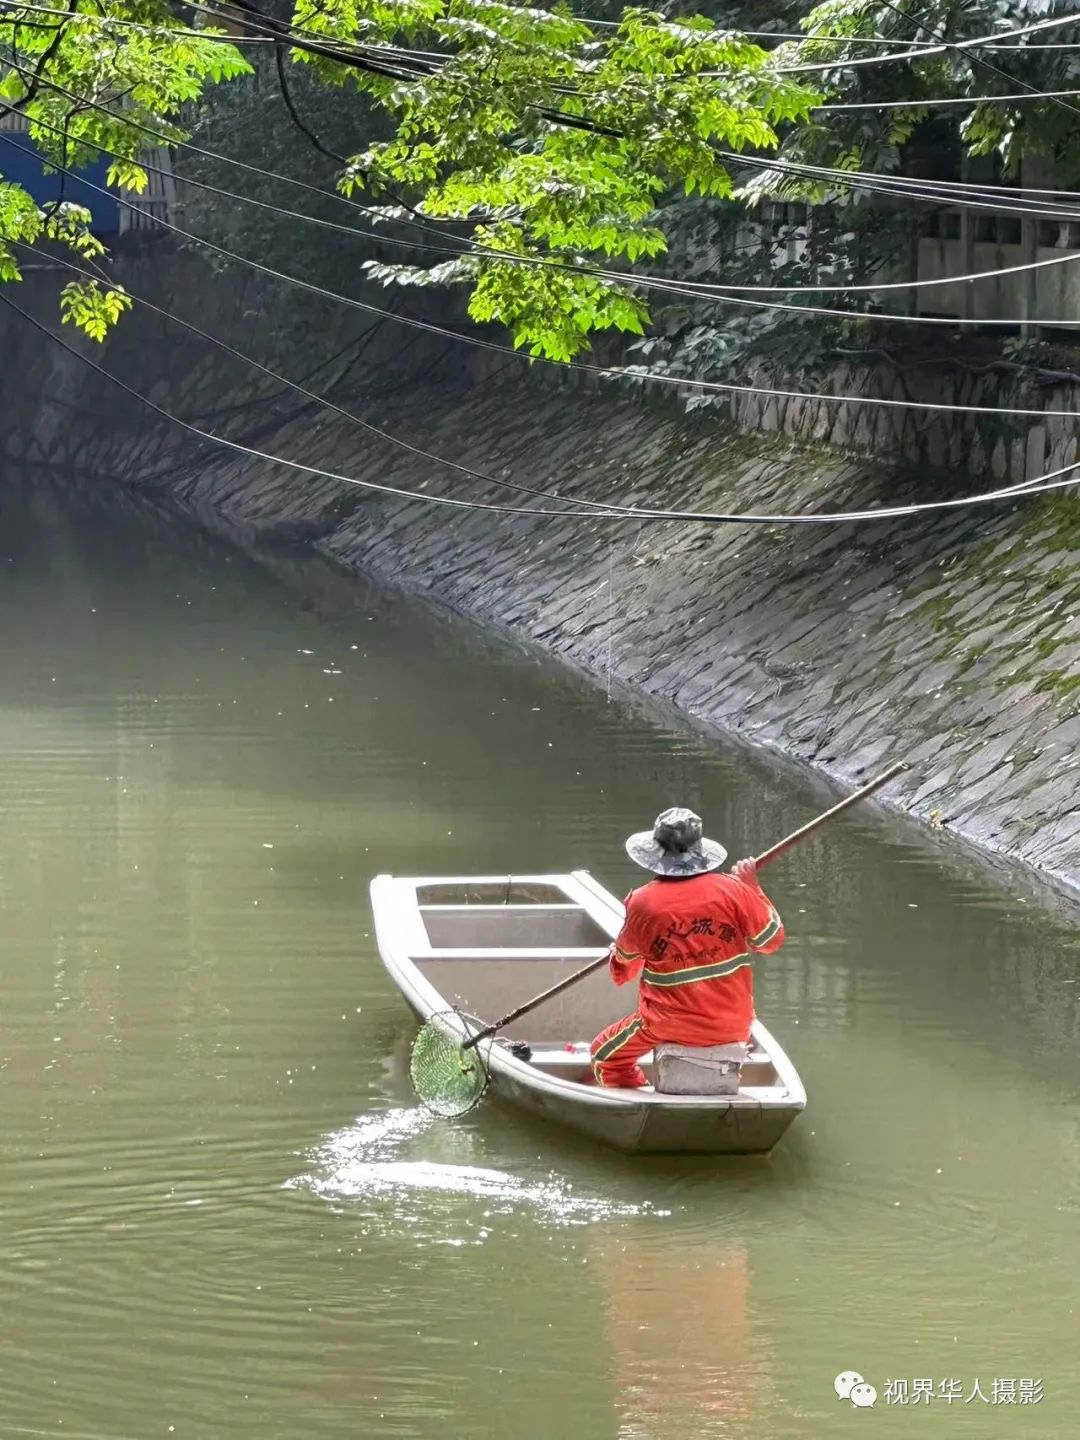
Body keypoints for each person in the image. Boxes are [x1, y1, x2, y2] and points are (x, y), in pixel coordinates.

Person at [590, 806, 786, 1088]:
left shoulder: (643, 902)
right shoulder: (733, 889)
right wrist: (753, 887)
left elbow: (623, 972)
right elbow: (770, 941)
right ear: (699, 849)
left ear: (656, 852)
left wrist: (616, 957)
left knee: (603, 1056)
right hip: (735, 1022)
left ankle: (638, 1094)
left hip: (666, 1023)